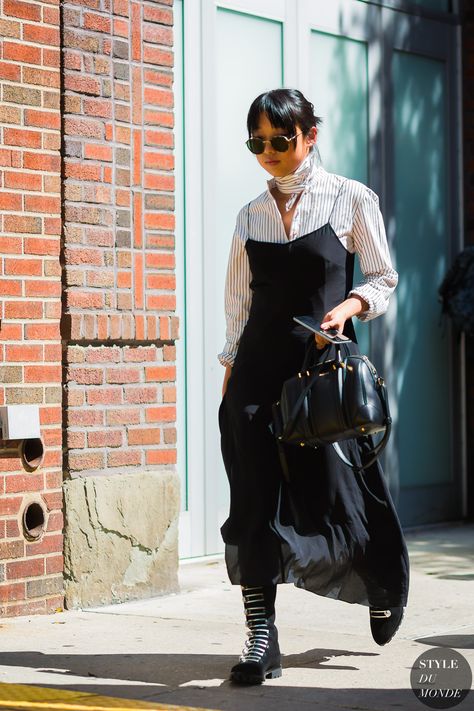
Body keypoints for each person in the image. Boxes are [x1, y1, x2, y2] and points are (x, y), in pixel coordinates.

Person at [217, 88, 409, 686]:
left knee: (341, 491)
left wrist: (350, 305)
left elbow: (383, 276)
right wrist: (229, 378)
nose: (270, 152)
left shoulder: (350, 198)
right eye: (258, 143)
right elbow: (238, 305)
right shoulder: (249, 215)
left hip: (321, 372)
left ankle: (383, 577)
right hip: (256, 370)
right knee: (252, 499)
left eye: (281, 140)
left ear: (310, 135)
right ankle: (261, 636)